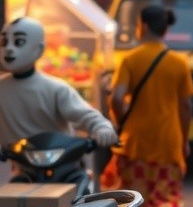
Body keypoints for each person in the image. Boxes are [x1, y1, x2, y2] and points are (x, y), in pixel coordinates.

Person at [105, 5, 193, 207]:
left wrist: (121, 120)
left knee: (135, 198)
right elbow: (186, 106)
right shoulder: (179, 63)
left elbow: (117, 98)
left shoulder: (130, 60)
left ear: (141, 26)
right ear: (166, 29)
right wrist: (184, 139)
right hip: (168, 143)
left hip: (135, 144)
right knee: (166, 197)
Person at [0, 17, 118, 179]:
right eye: (4, 42)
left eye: (19, 42)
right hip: (23, 169)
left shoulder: (55, 88)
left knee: (80, 194)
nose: (9, 49)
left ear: (38, 50)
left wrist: (101, 127)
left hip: (63, 167)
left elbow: (85, 115)